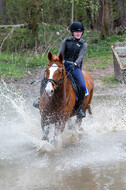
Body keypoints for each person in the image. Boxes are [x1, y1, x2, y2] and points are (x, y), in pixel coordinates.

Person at [33, 21, 87, 118]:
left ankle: (79, 109)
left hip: (75, 67)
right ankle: (40, 100)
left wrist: (75, 64)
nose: (78, 33)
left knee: (83, 86)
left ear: (82, 33)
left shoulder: (83, 44)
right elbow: (60, 53)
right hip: (62, 65)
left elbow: (81, 56)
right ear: (72, 32)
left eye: (80, 32)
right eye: (76, 32)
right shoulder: (66, 41)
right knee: (44, 79)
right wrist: (56, 62)